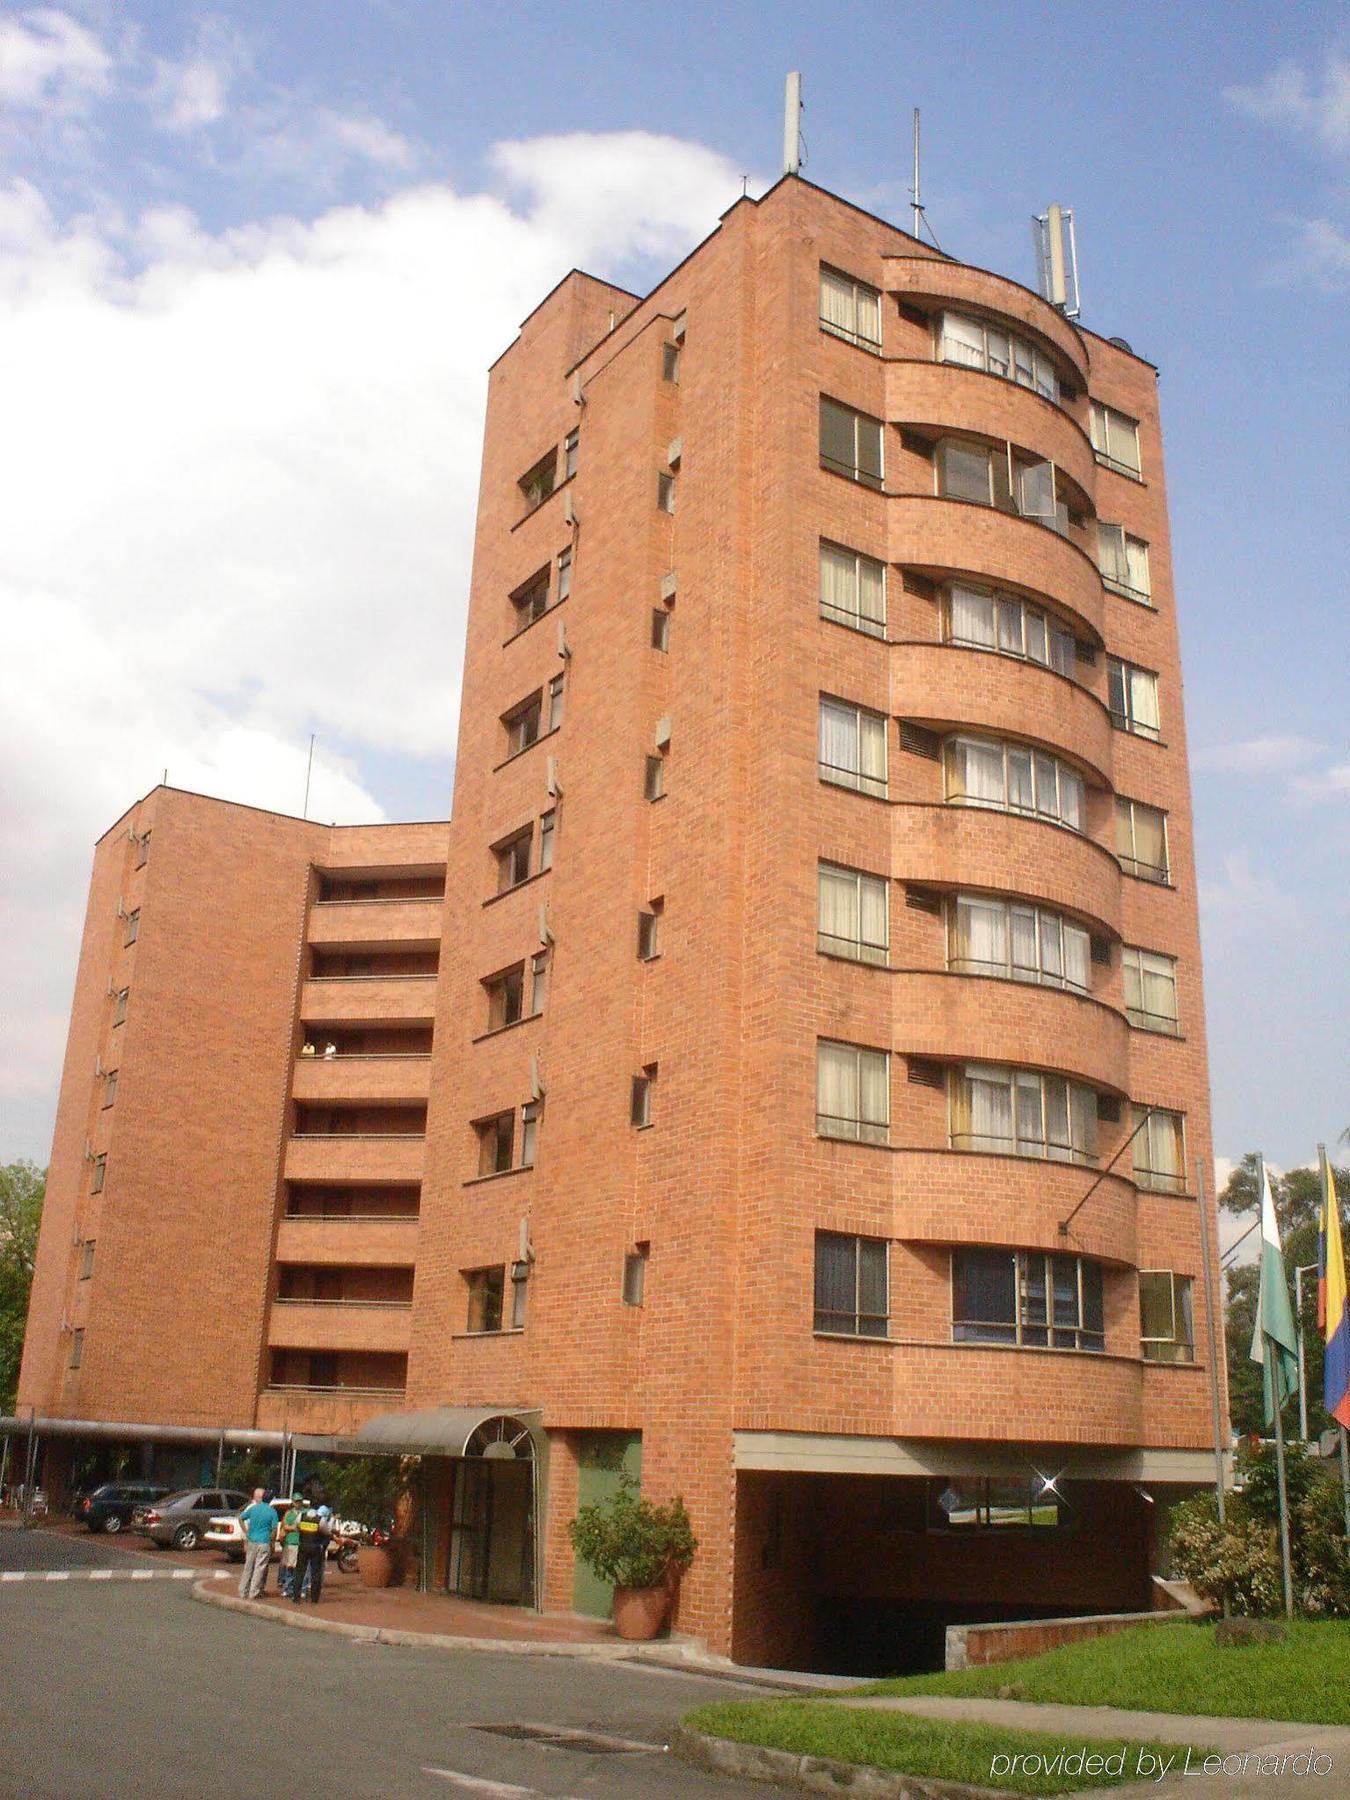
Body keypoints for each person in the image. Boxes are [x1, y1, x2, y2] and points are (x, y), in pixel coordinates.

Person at [237, 1488, 279, 1601]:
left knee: (248, 1566)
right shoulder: (272, 1511)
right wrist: (273, 1542)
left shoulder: (254, 1508)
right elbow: (274, 1529)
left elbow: (240, 1518)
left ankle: (242, 1591)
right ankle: (253, 1592)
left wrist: (246, 1532)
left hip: (252, 1540)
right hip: (264, 1541)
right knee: (259, 1567)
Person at [291, 1495, 331, 1604]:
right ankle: (314, 1599)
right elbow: (327, 1532)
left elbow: (296, 1527)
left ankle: (296, 1597)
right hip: (316, 1548)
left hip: (303, 1546)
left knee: (299, 1572)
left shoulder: (301, 1516)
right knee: (315, 1573)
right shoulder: (320, 1520)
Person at [277, 1495, 303, 1598]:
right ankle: (287, 1588)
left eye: (299, 1501)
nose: (298, 1503)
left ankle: (294, 1588)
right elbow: (285, 1526)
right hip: (290, 1542)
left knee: (297, 1567)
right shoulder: (289, 1513)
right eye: (296, 1501)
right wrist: (295, 1527)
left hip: (299, 1542)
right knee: (289, 1567)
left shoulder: (303, 1513)